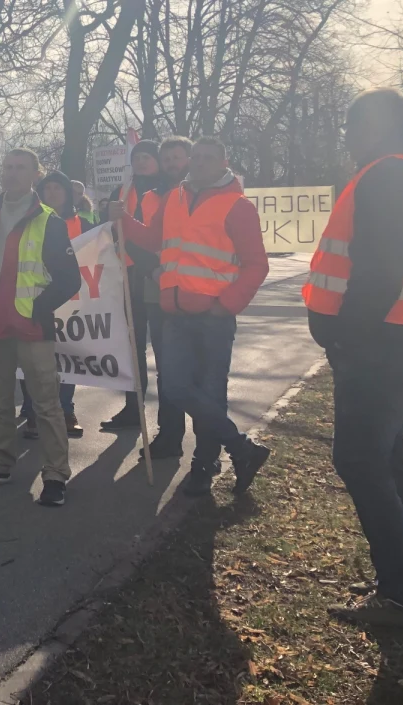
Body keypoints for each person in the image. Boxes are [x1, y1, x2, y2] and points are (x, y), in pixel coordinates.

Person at [304, 88, 403, 627]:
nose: (346, 137)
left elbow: (380, 273)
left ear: (380, 126)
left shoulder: (388, 174)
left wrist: (346, 337)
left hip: (378, 345)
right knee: (388, 457)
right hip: (390, 342)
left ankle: (399, 593)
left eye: (352, 126)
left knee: (362, 459)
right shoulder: (393, 172)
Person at [113, 136, 271, 497]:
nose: (199, 163)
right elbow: (153, 241)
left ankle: (205, 463)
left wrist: (226, 305)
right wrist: (123, 218)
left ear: (222, 162)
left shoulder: (238, 206)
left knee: (211, 392)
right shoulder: (174, 198)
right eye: (196, 157)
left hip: (214, 316)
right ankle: (242, 448)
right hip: (175, 315)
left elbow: (256, 265)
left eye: (208, 158)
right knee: (176, 387)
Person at [0, 149, 80, 507]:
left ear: (34, 174)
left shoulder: (50, 222)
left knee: (46, 405)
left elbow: (70, 280)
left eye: (20, 168)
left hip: (31, 329)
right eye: (8, 168)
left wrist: (37, 309)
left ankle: (56, 474)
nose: (12, 174)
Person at [19, 171, 92, 440]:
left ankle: (66, 410)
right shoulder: (28, 221)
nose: (52, 193)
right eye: (46, 188)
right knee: (32, 362)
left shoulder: (83, 225)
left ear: (67, 192)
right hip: (35, 300)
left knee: (66, 358)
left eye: (57, 188)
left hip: (72, 302)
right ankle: (31, 412)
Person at [102, 139, 164, 431]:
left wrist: (145, 260)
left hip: (156, 274)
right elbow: (111, 229)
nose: (141, 162)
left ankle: (168, 420)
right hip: (125, 275)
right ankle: (132, 407)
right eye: (137, 157)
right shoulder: (122, 191)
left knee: (164, 350)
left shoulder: (167, 189)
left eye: (147, 157)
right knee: (132, 344)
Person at [139, 135, 194, 461]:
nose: (174, 164)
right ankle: (169, 436)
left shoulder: (206, 195)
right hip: (158, 289)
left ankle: (208, 447)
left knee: (199, 371)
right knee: (167, 368)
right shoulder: (150, 198)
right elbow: (138, 242)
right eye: (168, 159)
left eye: (179, 157)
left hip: (198, 291)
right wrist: (155, 272)